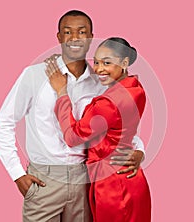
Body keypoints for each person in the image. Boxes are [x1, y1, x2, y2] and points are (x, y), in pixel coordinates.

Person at [0, 10, 145, 222]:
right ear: (59, 38)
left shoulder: (101, 82)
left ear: (91, 37)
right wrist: (17, 174)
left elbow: (119, 128)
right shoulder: (34, 75)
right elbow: (3, 124)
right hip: (44, 180)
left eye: (82, 32)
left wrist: (139, 151)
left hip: (86, 180)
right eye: (68, 32)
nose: (75, 37)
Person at [47, 37, 151, 222]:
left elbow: (73, 136)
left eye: (107, 62)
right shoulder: (135, 88)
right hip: (129, 179)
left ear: (124, 63)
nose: (99, 68)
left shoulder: (108, 102)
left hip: (113, 185)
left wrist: (61, 92)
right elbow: (124, 130)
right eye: (96, 62)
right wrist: (140, 152)